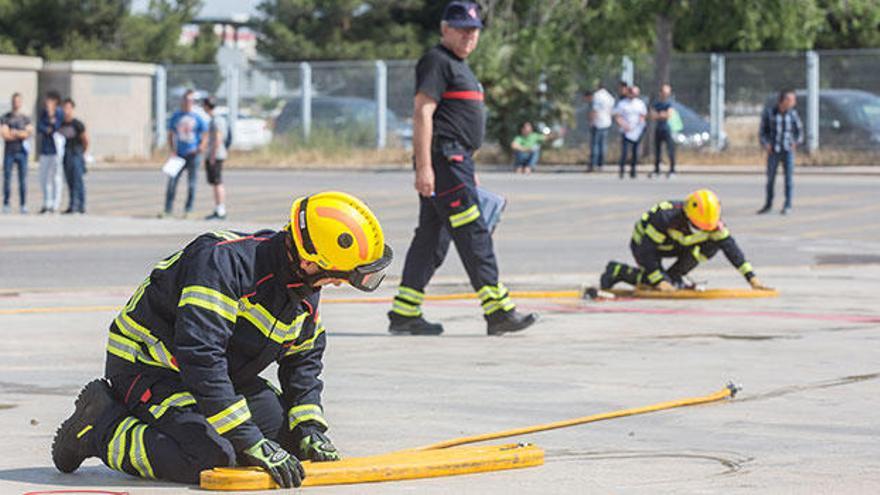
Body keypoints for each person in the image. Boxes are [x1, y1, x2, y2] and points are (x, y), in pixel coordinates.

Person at [52, 191, 393, 488]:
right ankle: (101, 427)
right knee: (212, 456)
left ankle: (179, 423)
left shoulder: (302, 287)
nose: (337, 284)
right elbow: (201, 358)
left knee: (288, 448)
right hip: (151, 368)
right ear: (307, 262)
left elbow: (303, 359)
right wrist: (246, 437)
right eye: (337, 276)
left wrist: (309, 429)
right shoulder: (222, 263)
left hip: (221, 375)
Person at [388, 1, 538, 337]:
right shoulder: (437, 61)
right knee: (474, 234)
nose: (470, 36)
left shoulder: (459, 65)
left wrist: (468, 168)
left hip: (457, 164)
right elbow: (423, 113)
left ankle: (404, 311)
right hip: (445, 162)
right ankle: (497, 310)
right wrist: (424, 167)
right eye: (462, 29)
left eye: (474, 30)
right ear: (445, 29)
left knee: (432, 238)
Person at [599, 189, 769, 292]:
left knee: (714, 244)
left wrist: (752, 279)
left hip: (677, 244)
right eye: (700, 227)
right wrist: (660, 280)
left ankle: (675, 276)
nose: (705, 230)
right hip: (646, 245)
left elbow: (732, 250)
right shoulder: (665, 218)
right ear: (688, 217)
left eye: (708, 227)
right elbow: (646, 252)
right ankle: (617, 271)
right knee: (653, 281)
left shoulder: (713, 223)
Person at [163, 89, 207, 218]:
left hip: (193, 154)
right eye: (186, 100)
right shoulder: (176, 116)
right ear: (182, 101)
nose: (188, 103)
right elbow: (171, 134)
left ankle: (189, 209)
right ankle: (168, 209)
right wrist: (173, 150)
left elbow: (205, 134)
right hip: (179, 155)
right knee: (172, 182)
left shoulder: (197, 117)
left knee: (192, 184)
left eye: (191, 100)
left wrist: (200, 148)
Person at [758, 88, 802, 215]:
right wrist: (766, 144)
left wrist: (795, 143)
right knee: (770, 179)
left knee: (788, 179)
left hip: (788, 151)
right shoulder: (770, 113)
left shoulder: (793, 114)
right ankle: (768, 204)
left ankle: (787, 204)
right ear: (783, 100)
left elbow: (799, 132)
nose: (793, 102)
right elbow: (762, 132)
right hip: (774, 152)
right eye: (791, 99)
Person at [1, 92, 34, 214]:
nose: (16, 103)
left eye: (18, 101)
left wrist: (14, 132)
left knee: (22, 180)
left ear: (21, 103)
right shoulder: (5, 117)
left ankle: (23, 204)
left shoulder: (25, 118)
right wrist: (20, 133)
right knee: (7, 179)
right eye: (14, 101)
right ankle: (6, 204)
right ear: (12, 102)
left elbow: (28, 133)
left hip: (22, 153)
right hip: (9, 152)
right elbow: (4, 134)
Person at [58, 98, 89, 214]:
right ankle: (72, 204)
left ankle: (79, 205)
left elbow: (85, 140)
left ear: (72, 109)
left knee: (77, 180)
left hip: (76, 152)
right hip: (67, 151)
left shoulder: (78, 124)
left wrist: (82, 153)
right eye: (64, 108)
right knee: (70, 180)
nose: (66, 111)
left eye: (68, 108)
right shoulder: (61, 123)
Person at [38, 91, 65, 214]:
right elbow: (40, 127)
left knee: (56, 177)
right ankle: (46, 202)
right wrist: (48, 124)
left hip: (56, 149)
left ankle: (55, 203)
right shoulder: (43, 112)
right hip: (45, 149)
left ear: (55, 102)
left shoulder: (59, 113)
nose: (47, 103)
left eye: (49, 101)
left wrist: (51, 119)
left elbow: (57, 127)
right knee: (44, 177)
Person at [202, 96, 228, 220]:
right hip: (217, 153)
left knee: (217, 182)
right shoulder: (217, 119)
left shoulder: (216, 120)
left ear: (207, 106)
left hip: (216, 155)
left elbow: (218, 137)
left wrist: (212, 155)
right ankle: (218, 208)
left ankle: (221, 210)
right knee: (215, 182)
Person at [613, 85, 647, 179]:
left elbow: (642, 116)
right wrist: (624, 125)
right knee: (624, 152)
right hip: (625, 131)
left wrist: (637, 126)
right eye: (631, 92)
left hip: (637, 131)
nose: (633, 94)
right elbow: (618, 116)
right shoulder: (622, 104)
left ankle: (633, 171)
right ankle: (622, 170)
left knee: (635, 152)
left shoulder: (640, 103)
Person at [586, 84, 615, 172]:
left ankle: (593, 164)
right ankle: (601, 164)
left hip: (597, 123)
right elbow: (611, 110)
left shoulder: (597, 96)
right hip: (606, 122)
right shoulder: (609, 96)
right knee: (603, 145)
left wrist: (591, 121)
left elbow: (595, 110)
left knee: (595, 145)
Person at [650, 84, 676, 178]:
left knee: (670, 150)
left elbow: (669, 115)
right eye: (664, 93)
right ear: (660, 93)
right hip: (658, 129)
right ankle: (657, 170)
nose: (666, 95)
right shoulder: (656, 103)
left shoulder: (669, 103)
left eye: (667, 93)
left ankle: (672, 170)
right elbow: (653, 115)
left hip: (667, 129)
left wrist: (661, 114)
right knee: (657, 151)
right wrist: (661, 115)